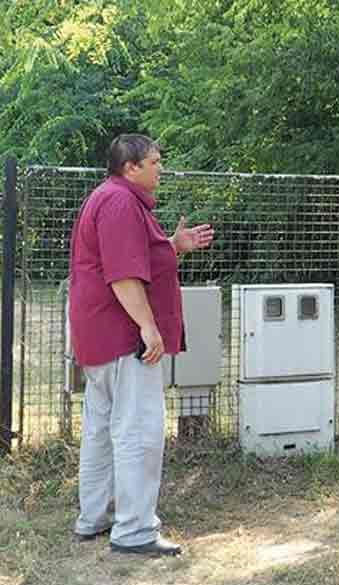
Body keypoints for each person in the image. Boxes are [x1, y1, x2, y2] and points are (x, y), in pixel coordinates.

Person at [69, 134, 214, 555]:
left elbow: (135, 259)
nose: (160, 168)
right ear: (130, 167)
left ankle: (93, 519)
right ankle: (134, 531)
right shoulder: (119, 203)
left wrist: (173, 246)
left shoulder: (112, 198)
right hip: (123, 338)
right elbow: (123, 275)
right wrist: (149, 329)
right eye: (154, 162)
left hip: (100, 337)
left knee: (101, 430)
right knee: (138, 432)